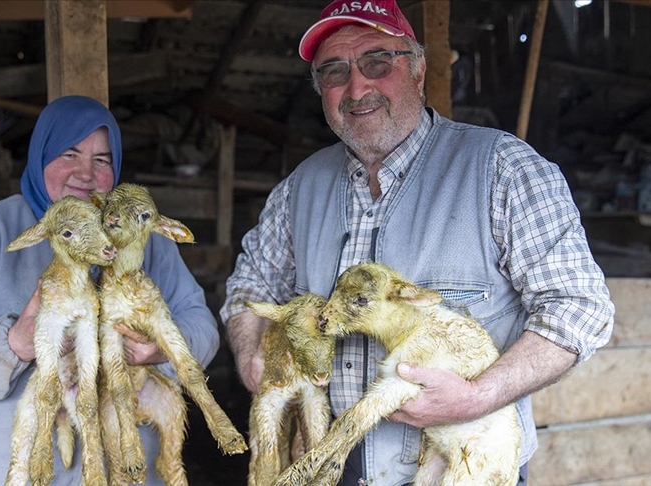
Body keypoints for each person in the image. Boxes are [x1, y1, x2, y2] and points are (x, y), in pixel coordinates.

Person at [221, 1, 615, 485]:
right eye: (334, 70)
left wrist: (480, 395)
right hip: (328, 468)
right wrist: (249, 355)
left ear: (419, 69)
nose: (357, 86)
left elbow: (579, 308)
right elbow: (247, 287)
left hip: (461, 464)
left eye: (377, 62)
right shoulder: (299, 188)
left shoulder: (502, 168)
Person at [0, 95, 220, 486]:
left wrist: (161, 350)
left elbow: (200, 324)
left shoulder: (144, 239)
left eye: (102, 160)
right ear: (41, 156)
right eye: (70, 154)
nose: (85, 174)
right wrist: (15, 342)